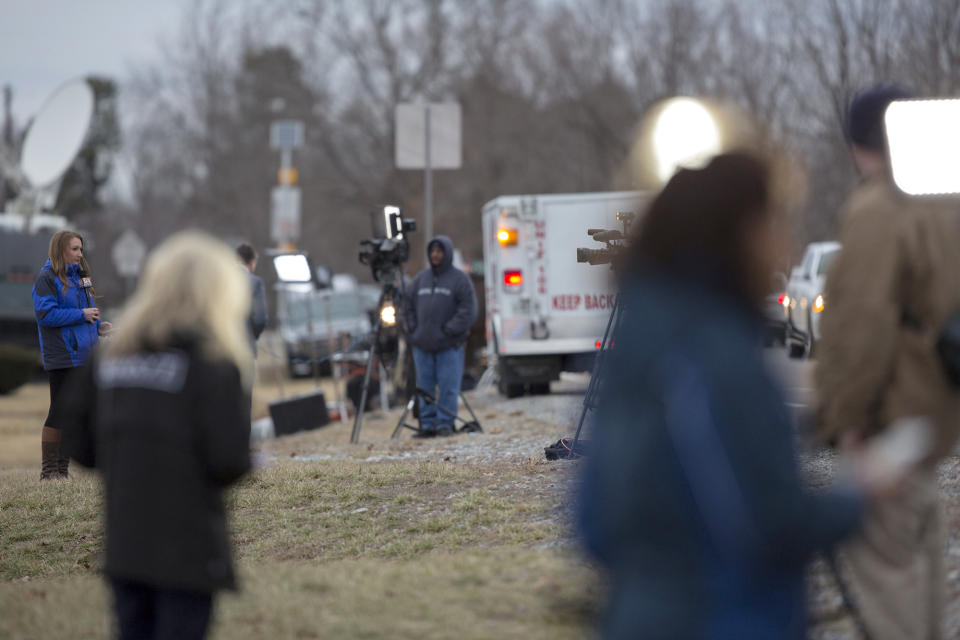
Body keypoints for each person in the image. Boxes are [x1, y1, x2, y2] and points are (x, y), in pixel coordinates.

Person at [577, 152, 897, 639]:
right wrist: (859, 493)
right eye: (775, 222)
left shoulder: (635, 342)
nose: (784, 245)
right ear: (738, 232)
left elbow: (592, 524)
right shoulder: (718, 354)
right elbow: (773, 525)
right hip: (728, 620)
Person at [814, 85, 960, 640]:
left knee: (888, 577)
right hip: (936, 418)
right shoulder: (944, 206)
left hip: (889, 426)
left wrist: (844, 419)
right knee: (918, 573)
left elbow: (860, 327)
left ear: (856, 143)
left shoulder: (879, 209)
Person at [62, 231, 253, 640]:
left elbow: (78, 445)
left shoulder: (108, 361)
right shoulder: (212, 364)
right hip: (188, 551)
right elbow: (230, 460)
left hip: (125, 546)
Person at [32, 229, 111, 480]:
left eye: (80, 249)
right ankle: (49, 471)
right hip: (63, 355)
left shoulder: (82, 277)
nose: (79, 254)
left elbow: (87, 314)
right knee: (58, 410)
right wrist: (81, 315)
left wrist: (100, 327)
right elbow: (46, 316)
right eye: (74, 249)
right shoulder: (46, 278)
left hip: (85, 356)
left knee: (73, 412)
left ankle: (61, 471)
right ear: (60, 250)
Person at [403, 235, 477, 437]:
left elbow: (468, 310)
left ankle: (445, 423)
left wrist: (449, 330)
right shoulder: (420, 279)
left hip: (449, 345)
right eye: (433, 251)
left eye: (439, 251)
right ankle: (427, 425)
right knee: (424, 387)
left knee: (448, 387)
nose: (435, 255)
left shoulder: (460, 279)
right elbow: (407, 305)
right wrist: (413, 330)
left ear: (447, 253)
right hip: (422, 345)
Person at [236, 242, 267, 358]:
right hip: (245, 347)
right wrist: (251, 335)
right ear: (252, 261)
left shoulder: (221, 280)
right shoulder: (255, 282)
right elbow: (260, 318)